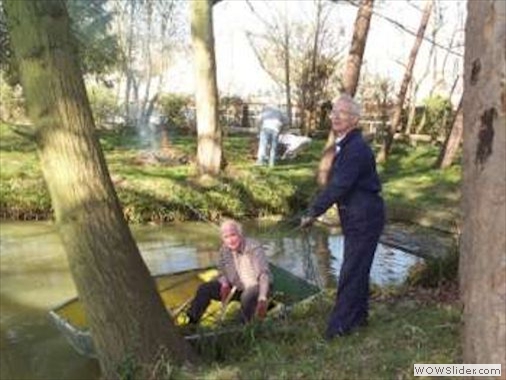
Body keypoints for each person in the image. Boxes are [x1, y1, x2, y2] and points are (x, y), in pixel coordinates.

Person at [300, 94, 385, 340]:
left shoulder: (355, 149)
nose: (335, 116)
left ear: (355, 120)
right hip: (359, 215)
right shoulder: (347, 145)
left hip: (364, 217)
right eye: (334, 112)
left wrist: (312, 212)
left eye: (343, 113)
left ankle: (338, 329)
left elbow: (339, 186)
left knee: (350, 271)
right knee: (357, 269)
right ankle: (358, 319)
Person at [186, 219, 271, 324]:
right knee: (204, 289)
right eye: (226, 237)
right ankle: (192, 323)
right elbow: (222, 272)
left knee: (247, 296)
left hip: (257, 288)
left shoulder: (253, 247)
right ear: (222, 238)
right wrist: (225, 283)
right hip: (237, 287)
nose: (230, 240)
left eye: (233, 235)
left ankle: (246, 327)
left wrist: (262, 298)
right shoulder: (224, 250)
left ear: (240, 234)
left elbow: (263, 275)